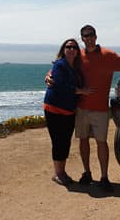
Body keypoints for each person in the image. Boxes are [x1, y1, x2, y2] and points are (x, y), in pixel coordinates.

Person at [46, 25, 120, 192]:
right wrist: (49, 74)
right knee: (83, 141)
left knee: (101, 143)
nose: (88, 38)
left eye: (91, 35)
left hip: (100, 109)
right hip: (81, 108)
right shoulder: (78, 56)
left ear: (96, 36)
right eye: (85, 36)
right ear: (82, 39)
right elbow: (62, 66)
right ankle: (87, 173)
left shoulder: (108, 55)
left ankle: (104, 177)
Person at [43, 38, 90, 186]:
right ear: (63, 50)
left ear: (77, 52)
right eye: (68, 47)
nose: (71, 49)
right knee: (58, 142)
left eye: (74, 47)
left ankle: (61, 172)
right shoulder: (60, 64)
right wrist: (80, 91)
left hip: (69, 110)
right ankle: (59, 174)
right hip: (54, 108)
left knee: (65, 142)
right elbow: (60, 86)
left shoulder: (76, 68)